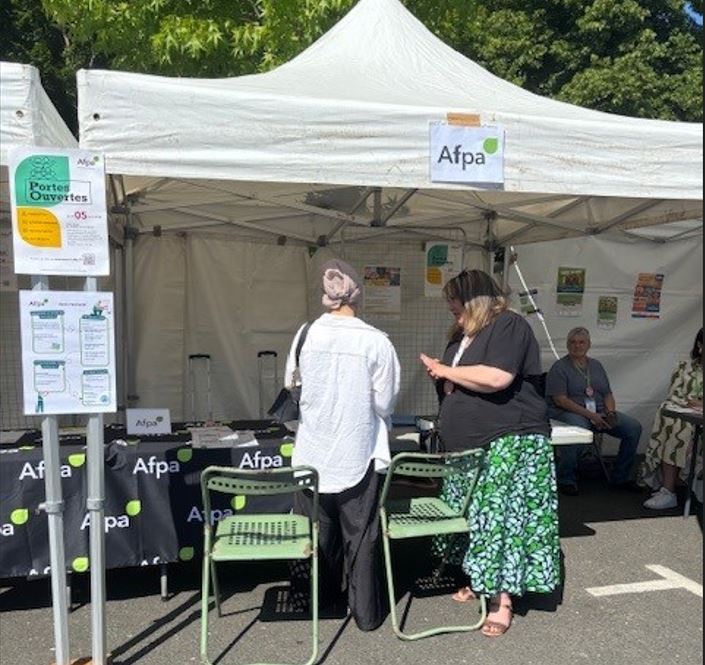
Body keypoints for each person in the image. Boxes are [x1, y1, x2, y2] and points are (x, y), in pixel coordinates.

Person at [420, 269, 560, 638]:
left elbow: (498, 377)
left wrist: (445, 370)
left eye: (455, 302)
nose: (452, 309)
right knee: (473, 516)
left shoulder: (509, 325)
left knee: (499, 520)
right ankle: (480, 579)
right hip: (468, 443)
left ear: (475, 300)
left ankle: (502, 600)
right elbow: (459, 380)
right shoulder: (462, 336)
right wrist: (445, 376)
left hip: (507, 440)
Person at [285, 258, 400, 631]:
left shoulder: (305, 334)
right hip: (358, 451)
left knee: (318, 531)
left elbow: (291, 384)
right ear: (357, 295)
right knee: (361, 534)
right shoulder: (376, 341)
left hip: (312, 451)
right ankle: (365, 613)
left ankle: (318, 602)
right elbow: (384, 403)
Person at [545, 327, 642, 496]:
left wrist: (610, 413)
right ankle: (565, 478)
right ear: (567, 345)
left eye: (581, 342)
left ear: (589, 344)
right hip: (568, 412)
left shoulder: (596, 365)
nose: (577, 346)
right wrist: (591, 416)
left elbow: (607, 394)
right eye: (573, 342)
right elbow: (560, 400)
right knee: (578, 430)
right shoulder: (559, 367)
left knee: (634, 428)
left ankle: (620, 477)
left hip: (599, 412)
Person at [639, 328, 703, 510]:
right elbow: (674, 396)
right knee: (675, 427)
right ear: (700, 345)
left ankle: (672, 487)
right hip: (686, 418)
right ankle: (668, 491)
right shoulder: (684, 368)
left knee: (679, 430)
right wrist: (694, 404)